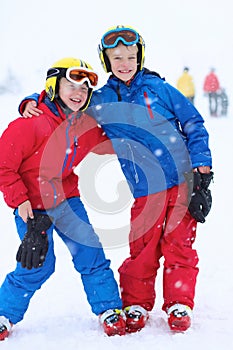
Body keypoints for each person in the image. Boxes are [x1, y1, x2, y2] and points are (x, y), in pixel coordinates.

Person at [17, 25, 214, 334]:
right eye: (117, 57)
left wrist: (203, 174)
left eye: (131, 57)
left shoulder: (159, 89)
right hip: (144, 189)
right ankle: (136, 302)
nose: (125, 63)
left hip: (182, 182)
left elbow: (193, 123)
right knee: (143, 246)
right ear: (107, 61)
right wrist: (31, 99)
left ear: (140, 58)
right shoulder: (102, 99)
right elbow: (68, 98)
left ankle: (179, 302)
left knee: (180, 246)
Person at [0, 57, 128, 341]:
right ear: (54, 86)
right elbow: (3, 166)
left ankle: (107, 308)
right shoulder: (30, 124)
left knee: (90, 253)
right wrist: (21, 202)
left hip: (67, 201)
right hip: (32, 207)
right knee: (36, 265)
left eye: (84, 89)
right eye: (71, 85)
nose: (78, 93)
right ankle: (4, 314)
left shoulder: (82, 126)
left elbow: (109, 142)